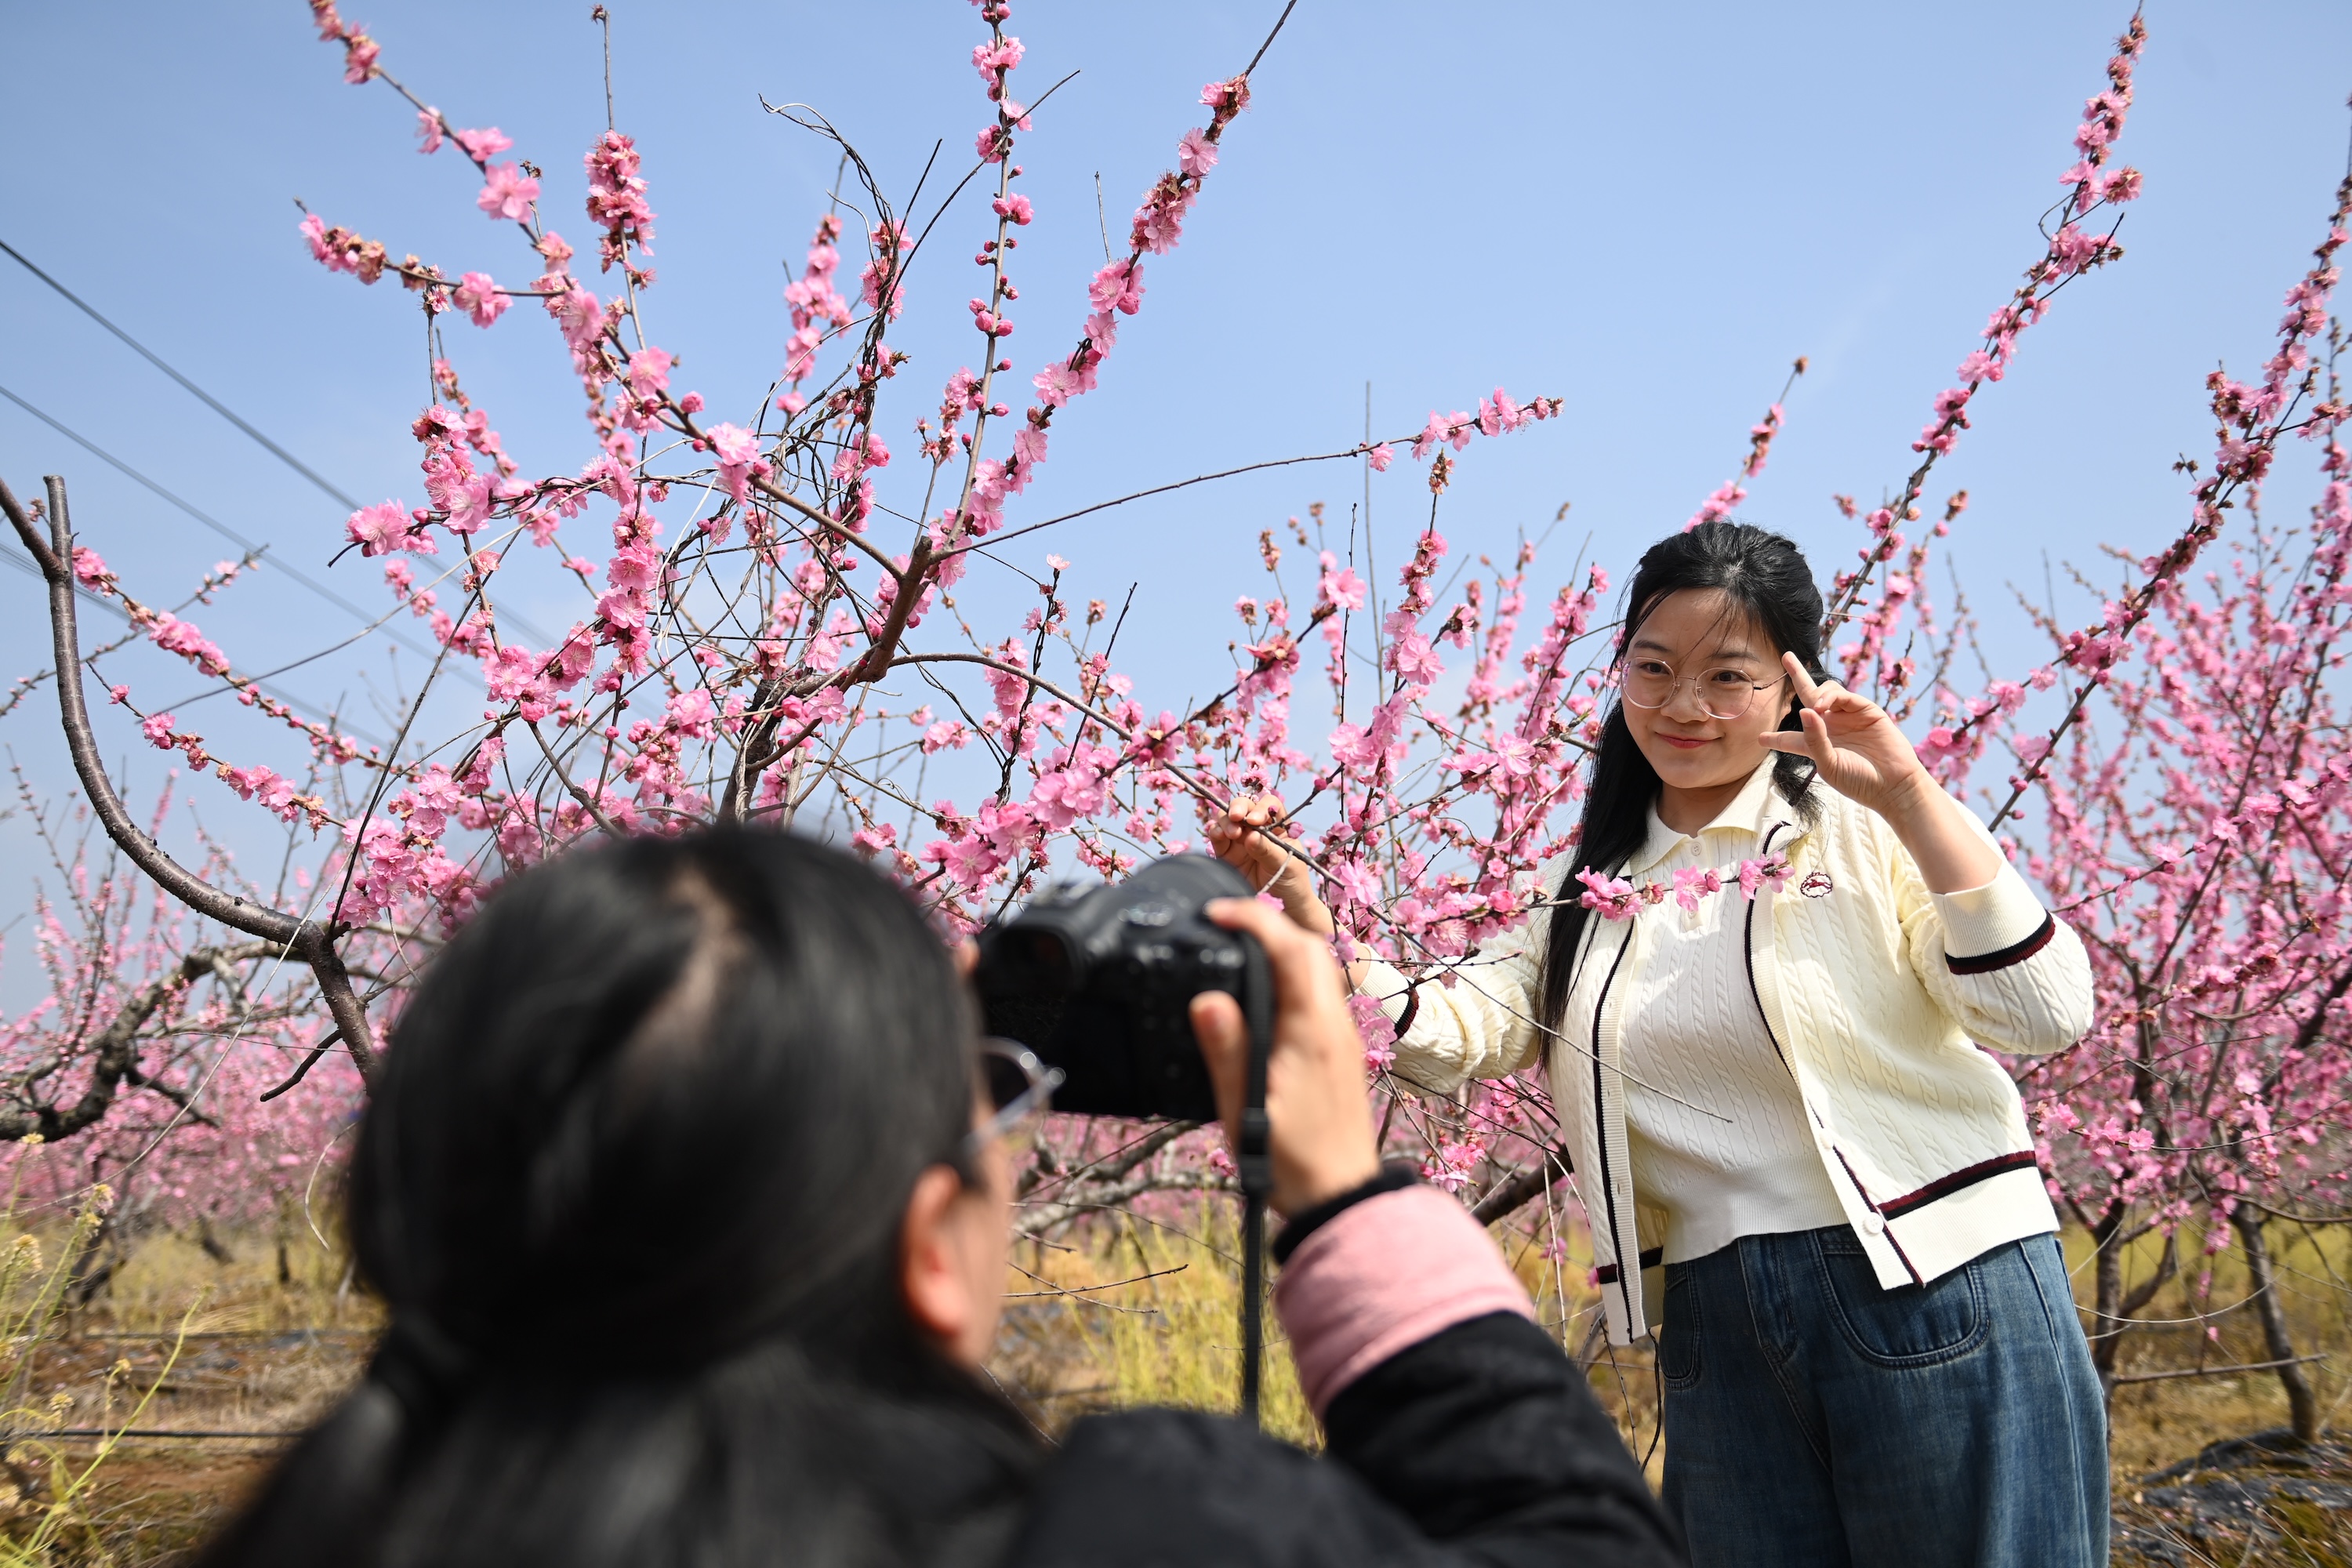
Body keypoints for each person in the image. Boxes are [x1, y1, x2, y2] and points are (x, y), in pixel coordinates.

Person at [198, 828, 1683, 1568]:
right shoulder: (1132, 1528)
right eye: (986, 1115)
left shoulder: (312, 1521)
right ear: (925, 1247)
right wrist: (1345, 1195)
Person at [1213, 521, 2106, 1568]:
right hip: (1717, 1319)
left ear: (1793, 689)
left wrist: (1911, 798)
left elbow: (2045, 1016)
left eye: (1728, 676)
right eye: (1654, 668)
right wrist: (1307, 918)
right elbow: (1460, 1027)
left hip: (1929, 1275)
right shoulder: (1594, 882)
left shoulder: (1860, 830)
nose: (1683, 707)